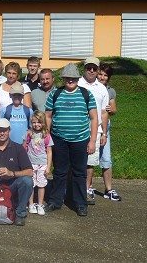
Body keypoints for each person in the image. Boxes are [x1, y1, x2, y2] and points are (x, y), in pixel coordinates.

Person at [44, 63, 98, 217]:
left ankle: (80, 204)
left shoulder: (86, 94)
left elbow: (94, 118)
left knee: (79, 173)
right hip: (59, 139)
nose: (70, 80)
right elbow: (48, 115)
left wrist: (92, 141)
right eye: (67, 77)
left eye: (73, 78)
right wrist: (47, 137)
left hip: (80, 140)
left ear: (77, 78)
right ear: (63, 79)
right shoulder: (56, 94)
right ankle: (55, 201)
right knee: (60, 172)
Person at [78, 57, 110, 205]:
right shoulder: (77, 83)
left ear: (98, 70)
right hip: (77, 129)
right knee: (76, 160)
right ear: (84, 68)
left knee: (90, 162)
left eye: (94, 68)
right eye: (89, 68)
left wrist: (104, 133)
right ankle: (73, 188)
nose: (91, 71)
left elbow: (104, 112)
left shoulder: (102, 88)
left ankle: (86, 189)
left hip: (95, 131)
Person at [97, 63, 121, 201]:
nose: (102, 77)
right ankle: (87, 187)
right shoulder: (90, 88)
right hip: (91, 125)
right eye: (100, 74)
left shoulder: (110, 91)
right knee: (88, 158)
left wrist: (111, 110)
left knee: (106, 158)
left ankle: (108, 189)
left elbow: (114, 110)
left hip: (105, 126)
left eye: (105, 75)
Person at [26, 110, 53, 216]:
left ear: (43, 123)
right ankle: (31, 203)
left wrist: (48, 167)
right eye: (34, 122)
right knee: (31, 184)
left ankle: (40, 204)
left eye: (39, 122)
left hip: (42, 164)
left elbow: (49, 152)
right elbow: (25, 148)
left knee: (41, 185)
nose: (36, 124)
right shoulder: (29, 134)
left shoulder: (46, 136)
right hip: (31, 163)